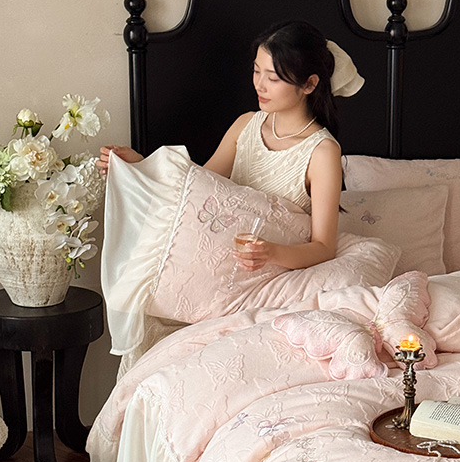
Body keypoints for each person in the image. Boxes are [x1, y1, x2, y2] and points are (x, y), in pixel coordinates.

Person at [97, 20, 364, 273]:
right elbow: (195, 185)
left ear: (309, 84)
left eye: (273, 78)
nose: (259, 85)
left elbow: (323, 247)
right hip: (224, 259)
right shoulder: (246, 125)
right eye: (256, 71)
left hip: (277, 269)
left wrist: (271, 253)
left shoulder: (322, 152)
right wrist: (139, 165)